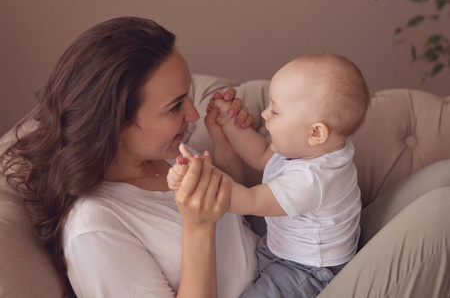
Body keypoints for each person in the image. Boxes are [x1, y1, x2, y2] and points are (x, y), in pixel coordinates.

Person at [0, 17, 260, 298]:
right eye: (175, 106)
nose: (194, 115)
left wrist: (226, 148)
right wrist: (198, 229)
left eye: (188, 96)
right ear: (117, 124)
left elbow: (238, 231)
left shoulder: (170, 155)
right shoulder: (95, 227)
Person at [168, 53, 371, 297]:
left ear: (316, 133)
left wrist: (199, 180)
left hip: (308, 270)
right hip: (282, 250)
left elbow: (252, 201)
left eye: (275, 111)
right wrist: (229, 124)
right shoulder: (312, 149)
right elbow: (262, 155)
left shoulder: (312, 178)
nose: (264, 114)